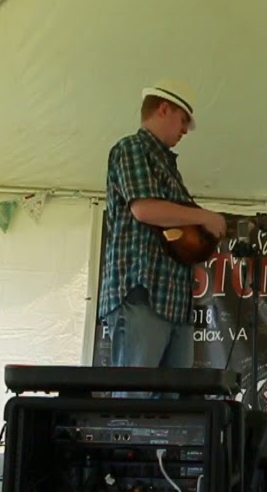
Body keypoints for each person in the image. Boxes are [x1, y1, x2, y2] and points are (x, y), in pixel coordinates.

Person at [97, 79, 227, 379]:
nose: (185, 130)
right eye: (183, 120)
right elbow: (144, 209)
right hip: (141, 291)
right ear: (164, 109)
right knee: (135, 393)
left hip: (173, 301)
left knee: (173, 400)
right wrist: (204, 217)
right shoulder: (132, 148)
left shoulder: (168, 165)